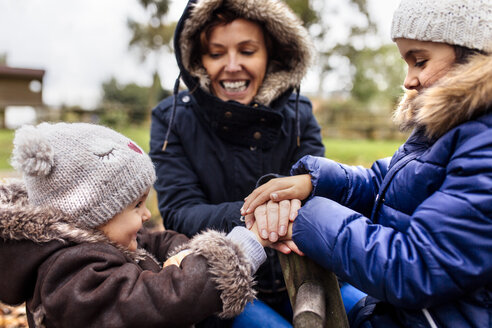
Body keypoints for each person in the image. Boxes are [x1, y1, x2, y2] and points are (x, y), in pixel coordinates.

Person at [242, 0, 492, 327]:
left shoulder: (483, 145)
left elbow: (415, 267)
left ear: (474, 59)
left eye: (420, 61)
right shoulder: (447, 131)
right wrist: (314, 181)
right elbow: (385, 183)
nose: (409, 80)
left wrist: (304, 218)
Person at [0, 122, 288, 328]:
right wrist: (239, 250)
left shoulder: (100, 240)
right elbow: (160, 303)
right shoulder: (70, 278)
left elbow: (155, 242)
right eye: (136, 206)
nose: (146, 215)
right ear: (91, 215)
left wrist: (187, 253)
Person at [149, 0, 325, 325]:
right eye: (216, 53)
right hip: (221, 284)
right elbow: (179, 210)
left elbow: (316, 187)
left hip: (304, 268)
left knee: (372, 314)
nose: (232, 66)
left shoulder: (300, 114)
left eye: (247, 51)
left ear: (270, 55)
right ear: (197, 60)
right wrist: (258, 213)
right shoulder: (172, 119)